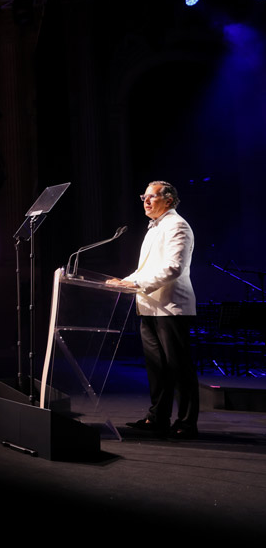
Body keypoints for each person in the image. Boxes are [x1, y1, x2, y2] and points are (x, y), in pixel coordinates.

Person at [108, 181, 198, 438]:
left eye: (152, 197)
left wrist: (134, 283)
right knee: (157, 368)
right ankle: (157, 417)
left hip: (171, 308)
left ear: (168, 200)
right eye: (143, 197)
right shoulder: (154, 228)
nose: (146, 201)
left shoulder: (177, 225)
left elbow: (174, 268)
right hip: (149, 306)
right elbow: (145, 270)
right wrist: (123, 282)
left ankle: (187, 423)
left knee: (179, 369)